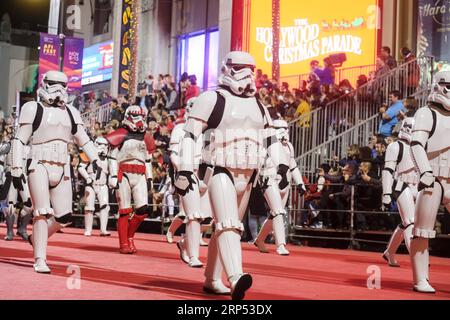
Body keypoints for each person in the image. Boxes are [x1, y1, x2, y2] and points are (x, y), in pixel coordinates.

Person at [175, 51, 275, 300]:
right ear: (228, 68)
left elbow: (271, 140)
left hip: (249, 173)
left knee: (227, 228)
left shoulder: (260, 106)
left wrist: (275, 169)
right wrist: (186, 169)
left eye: (251, 68)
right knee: (229, 224)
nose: (247, 74)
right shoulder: (212, 98)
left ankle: (211, 279)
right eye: (241, 67)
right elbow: (190, 134)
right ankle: (235, 277)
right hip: (221, 169)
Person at [11, 71, 100, 273]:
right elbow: (19, 139)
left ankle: (36, 239)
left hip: (62, 166)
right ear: (45, 84)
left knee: (64, 216)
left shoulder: (71, 112)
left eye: (63, 85)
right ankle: (40, 258)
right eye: (53, 84)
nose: (58, 89)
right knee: (41, 212)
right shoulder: (33, 108)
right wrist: (16, 166)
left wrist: (96, 159)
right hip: (39, 163)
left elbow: (83, 138)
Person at [409, 71, 450, 293]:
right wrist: (425, 172)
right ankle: (420, 278)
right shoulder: (426, 113)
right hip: (432, 178)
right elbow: (416, 144)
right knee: (422, 231)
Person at [105, 105, 155, 254]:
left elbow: (148, 160)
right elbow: (112, 157)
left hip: (140, 174)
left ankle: (130, 236)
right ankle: (124, 243)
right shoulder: (120, 134)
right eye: (135, 116)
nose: (138, 119)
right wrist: (113, 175)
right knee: (124, 211)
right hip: (123, 173)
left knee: (143, 210)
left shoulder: (146, 137)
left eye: (140, 116)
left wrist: (150, 177)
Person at [253, 119, 306, 255]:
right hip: (269, 179)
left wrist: (300, 182)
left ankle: (259, 240)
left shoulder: (289, 146)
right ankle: (281, 244)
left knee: (275, 214)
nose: (283, 130)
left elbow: (292, 165)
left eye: (285, 127)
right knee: (278, 211)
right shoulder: (266, 143)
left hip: (285, 182)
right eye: (279, 128)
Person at [381, 117, 417, 267]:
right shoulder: (395, 146)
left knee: (405, 223)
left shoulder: (419, 147)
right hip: (401, 185)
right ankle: (417, 260)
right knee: (410, 222)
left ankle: (389, 252)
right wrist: (387, 193)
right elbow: (388, 170)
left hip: (418, 185)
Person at [78, 137, 111, 237]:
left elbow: (112, 170)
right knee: (89, 207)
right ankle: (88, 229)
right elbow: (80, 167)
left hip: (103, 184)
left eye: (105, 145)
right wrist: (87, 177)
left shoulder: (108, 158)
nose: (103, 147)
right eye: (101, 144)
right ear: (96, 144)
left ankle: (103, 229)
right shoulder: (90, 155)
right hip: (91, 183)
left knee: (105, 206)